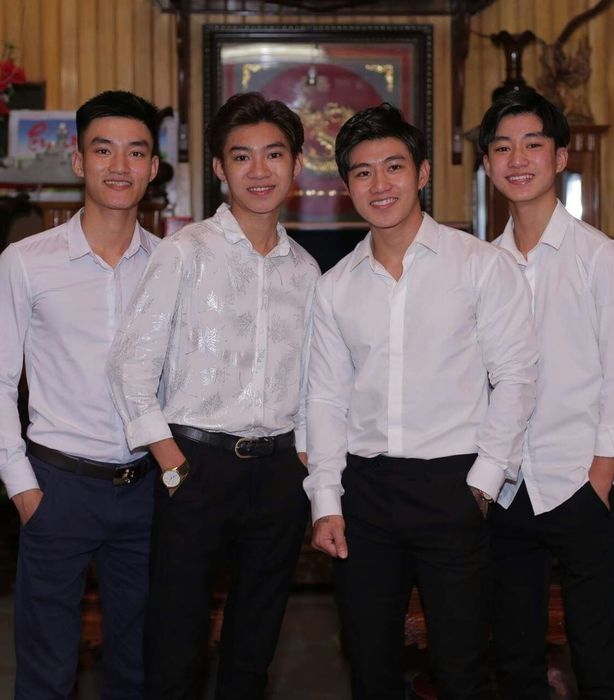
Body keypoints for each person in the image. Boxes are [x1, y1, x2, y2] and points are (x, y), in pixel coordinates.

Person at [303, 102, 538, 700]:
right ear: (346, 186)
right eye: (362, 172)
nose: (379, 184)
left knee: (462, 670)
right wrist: (326, 501)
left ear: (423, 173)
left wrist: (483, 484)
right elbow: (325, 400)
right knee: (370, 668)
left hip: (454, 486)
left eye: (394, 167)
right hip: (365, 493)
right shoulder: (334, 287)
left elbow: (515, 379)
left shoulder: (481, 266)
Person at [107, 91, 320, 700]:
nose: (260, 171)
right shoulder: (185, 252)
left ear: (295, 165)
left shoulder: (306, 270)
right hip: (196, 466)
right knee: (175, 645)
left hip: (278, 472)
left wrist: (304, 460)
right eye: (242, 156)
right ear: (221, 169)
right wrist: (173, 465)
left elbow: (315, 383)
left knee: (254, 647)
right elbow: (129, 365)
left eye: (274, 155)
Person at [480, 90, 614, 699]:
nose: (517, 159)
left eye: (533, 144)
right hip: (507, 487)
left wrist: (599, 482)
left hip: (581, 484)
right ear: (487, 164)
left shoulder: (600, 257)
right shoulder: (482, 264)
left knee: (598, 654)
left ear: (559, 157)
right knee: (515, 656)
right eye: (503, 148)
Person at [0, 90, 161, 699]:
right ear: (78, 160)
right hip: (56, 487)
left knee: (139, 667)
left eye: (135, 152)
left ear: (152, 167)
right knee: (45, 672)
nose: (119, 165)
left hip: (146, 490)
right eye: (103, 149)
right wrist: (22, 488)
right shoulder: (26, 262)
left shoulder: (171, 265)